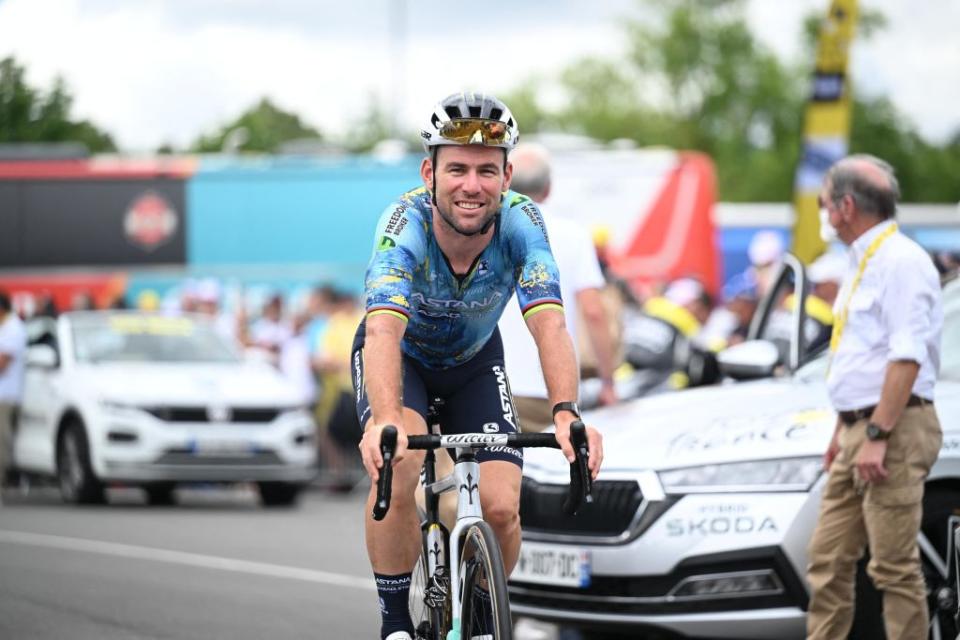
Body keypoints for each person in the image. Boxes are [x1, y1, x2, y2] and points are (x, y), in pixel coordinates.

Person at [352, 92, 604, 640]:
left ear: (508, 175)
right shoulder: (403, 223)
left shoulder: (522, 223)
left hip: (473, 361)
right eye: (458, 169)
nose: (472, 185)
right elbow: (382, 330)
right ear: (429, 172)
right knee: (398, 460)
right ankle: (396, 624)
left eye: (487, 170)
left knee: (501, 508)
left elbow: (550, 325)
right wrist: (385, 416)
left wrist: (566, 411)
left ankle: (484, 613)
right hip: (404, 360)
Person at [806, 155, 943, 640]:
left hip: (893, 427)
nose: (822, 211)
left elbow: (906, 358)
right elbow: (860, 359)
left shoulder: (900, 261)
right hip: (860, 429)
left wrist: (878, 433)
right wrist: (842, 430)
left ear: (845, 206)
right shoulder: (864, 260)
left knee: (893, 568)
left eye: (824, 202)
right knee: (827, 561)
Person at [498, 142, 617, 431]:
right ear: (548, 188)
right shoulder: (574, 235)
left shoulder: (486, 230)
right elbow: (594, 312)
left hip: (492, 386)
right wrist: (608, 382)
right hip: (553, 392)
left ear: (506, 180)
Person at [0, 290, 28, 495]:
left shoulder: (13, 328)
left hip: (6, 396)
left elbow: (3, 362)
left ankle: (4, 480)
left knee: (3, 440)